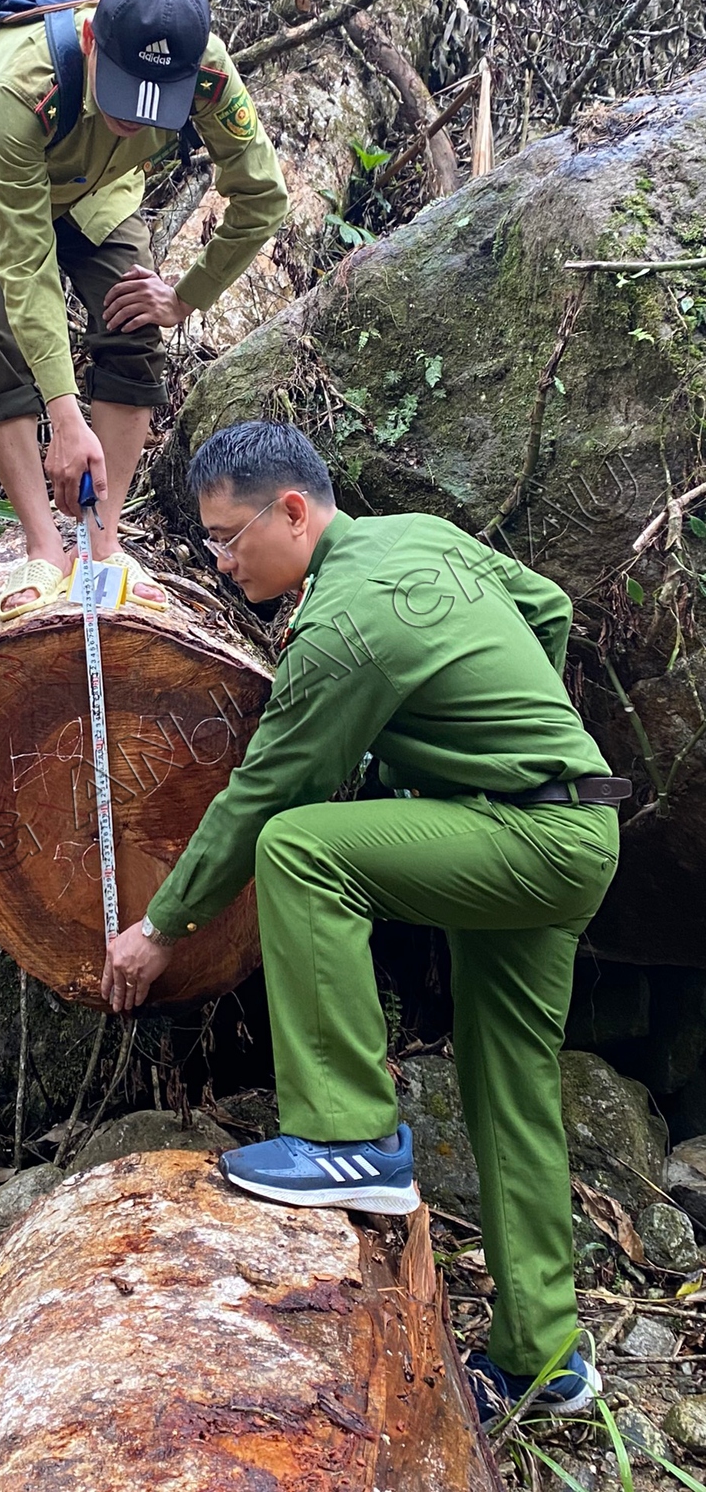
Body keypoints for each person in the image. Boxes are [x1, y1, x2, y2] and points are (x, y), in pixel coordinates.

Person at [102, 420, 629, 1422]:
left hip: (523, 839)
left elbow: (262, 798)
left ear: (293, 511)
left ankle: (348, 1136)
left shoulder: (341, 629)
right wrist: (484, 742)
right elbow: (545, 608)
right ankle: (545, 1358)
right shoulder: (420, 538)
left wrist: (159, 931)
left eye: (228, 537)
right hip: (573, 825)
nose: (220, 560)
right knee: (509, 1084)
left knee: (303, 847)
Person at [0, 0, 289, 619]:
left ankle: (101, 542)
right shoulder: (24, 81)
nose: (136, 116)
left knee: (134, 322)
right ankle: (43, 546)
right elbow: (25, 260)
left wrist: (186, 295)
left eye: (156, 101)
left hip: (98, 189)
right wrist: (64, 418)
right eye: (123, 92)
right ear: (92, 42)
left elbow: (263, 196)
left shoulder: (206, 69)